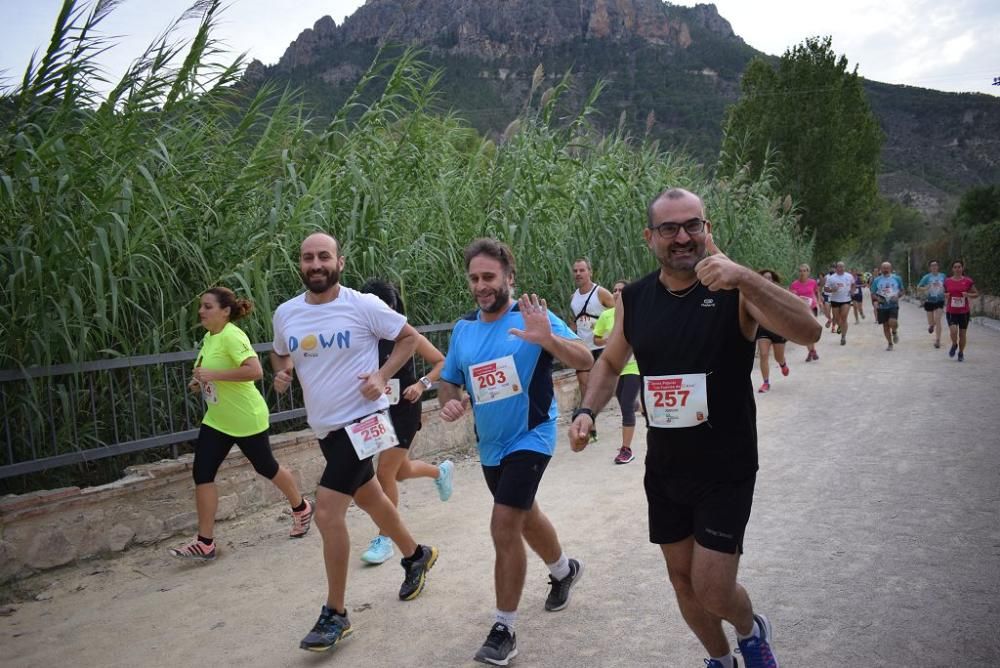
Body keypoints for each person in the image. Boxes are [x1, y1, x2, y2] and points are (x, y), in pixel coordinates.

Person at [569, 188, 820, 668]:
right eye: (669, 228)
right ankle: (720, 659)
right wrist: (586, 411)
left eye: (692, 225)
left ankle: (750, 629)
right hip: (665, 467)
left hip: (725, 465)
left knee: (712, 586)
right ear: (650, 238)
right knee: (682, 581)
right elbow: (611, 362)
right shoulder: (636, 298)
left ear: (707, 229)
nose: (682, 237)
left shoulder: (735, 291)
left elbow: (808, 331)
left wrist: (744, 276)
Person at [271, 233, 439, 653]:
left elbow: (410, 339)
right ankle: (416, 554)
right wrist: (284, 370)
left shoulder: (362, 304)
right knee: (371, 497)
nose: (315, 264)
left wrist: (382, 376)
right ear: (300, 264)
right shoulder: (287, 313)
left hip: (365, 422)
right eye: (308, 257)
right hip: (326, 429)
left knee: (327, 511)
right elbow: (279, 351)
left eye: (323, 256)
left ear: (339, 262)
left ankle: (336, 613)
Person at [439, 238, 593, 666]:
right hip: (490, 443)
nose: (481, 285)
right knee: (525, 517)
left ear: (509, 277)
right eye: (474, 278)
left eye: (489, 276)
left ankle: (503, 629)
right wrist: (449, 399)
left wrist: (549, 339)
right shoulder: (463, 328)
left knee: (504, 522)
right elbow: (449, 378)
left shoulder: (532, 317)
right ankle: (564, 570)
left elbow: (585, 357)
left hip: (532, 434)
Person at [170, 287, 314, 561]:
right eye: (201, 306)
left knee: (266, 467)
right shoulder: (209, 338)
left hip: (246, 418)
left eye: (208, 306)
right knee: (202, 473)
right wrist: (200, 381)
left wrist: (215, 374)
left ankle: (302, 507)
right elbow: (208, 371)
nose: (201, 311)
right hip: (217, 419)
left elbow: (255, 371)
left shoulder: (233, 336)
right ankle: (205, 542)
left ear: (225, 311)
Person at [355, 279, 455, 565]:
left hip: (404, 410)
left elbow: (441, 361)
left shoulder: (405, 334)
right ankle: (440, 472)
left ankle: (385, 538)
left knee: (384, 473)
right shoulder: (359, 337)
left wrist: (422, 385)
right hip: (374, 413)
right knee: (400, 472)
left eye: (388, 308)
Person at [592, 279, 641, 464]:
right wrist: (611, 342)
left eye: (622, 290)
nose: (617, 292)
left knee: (626, 405)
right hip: (615, 368)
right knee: (626, 403)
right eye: (615, 290)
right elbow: (596, 339)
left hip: (633, 367)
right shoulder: (606, 316)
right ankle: (643, 407)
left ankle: (626, 449)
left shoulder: (638, 313)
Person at [569, 258, 615, 442]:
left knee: (606, 385)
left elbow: (618, 312)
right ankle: (591, 424)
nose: (578, 274)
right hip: (584, 348)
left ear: (590, 272)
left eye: (582, 270)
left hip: (602, 347)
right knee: (584, 384)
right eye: (575, 271)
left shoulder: (601, 293)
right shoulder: (573, 297)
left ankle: (630, 404)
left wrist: (605, 328)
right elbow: (574, 322)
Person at [755, 270, 790, 393]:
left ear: (772, 280)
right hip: (763, 329)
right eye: (764, 278)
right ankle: (766, 383)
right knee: (763, 355)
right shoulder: (756, 293)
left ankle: (782, 364)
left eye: (769, 278)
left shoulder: (779, 292)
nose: (767, 280)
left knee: (778, 357)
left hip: (778, 329)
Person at [943, 260, 979, 361]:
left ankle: (961, 352)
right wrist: (945, 295)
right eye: (955, 267)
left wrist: (968, 295)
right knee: (953, 331)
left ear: (962, 268)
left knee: (962, 334)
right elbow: (944, 293)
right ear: (952, 269)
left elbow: (976, 294)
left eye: (959, 267)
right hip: (951, 311)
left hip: (964, 312)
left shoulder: (968, 281)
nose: (957, 269)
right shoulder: (947, 281)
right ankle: (954, 344)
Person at [788, 264, 821, 362]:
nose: (802, 273)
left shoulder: (813, 282)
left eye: (804, 271)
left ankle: (811, 352)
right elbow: (790, 296)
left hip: (812, 308)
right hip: (801, 310)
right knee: (805, 332)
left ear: (808, 272)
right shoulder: (794, 284)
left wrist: (819, 301)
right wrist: (793, 294)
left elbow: (817, 292)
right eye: (800, 271)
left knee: (810, 331)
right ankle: (812, 351)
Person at [870, 261, 904, 351]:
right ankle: (890, 343)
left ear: (890, 269)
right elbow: (873, 293)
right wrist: (878, 299)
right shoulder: (877, 280)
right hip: (882, 306)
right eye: (883, 268)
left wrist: (898, 296)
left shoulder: (897, 278)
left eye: (887, 268)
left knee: (893, 321)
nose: (885, 270)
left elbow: (902, 290)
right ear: (881, 269)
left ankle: (894, 331)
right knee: (885, 326)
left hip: (893, 304)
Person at [823, 261, 854, 345]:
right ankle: (840, 326)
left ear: (844, 267)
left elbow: (853, 284)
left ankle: (843, 337)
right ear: (836, 268)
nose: (841, 268)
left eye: (842, 267)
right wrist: (832, 290)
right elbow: (825, 288)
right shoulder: (831, 278)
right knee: (836, 319)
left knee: (844, 317)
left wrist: (852, 291)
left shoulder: (849, 276)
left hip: (846, 300)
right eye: (839, 267)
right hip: (835, 300)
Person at [916, 260, 946, 349]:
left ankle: (938, 340)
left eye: (936, 265)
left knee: (938, 319)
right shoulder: (926, 277)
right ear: (930, 268)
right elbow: (918, 287)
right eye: (932, 266)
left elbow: (947, 285)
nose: (934, 267)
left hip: (940, 300)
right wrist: (926, 288)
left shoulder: (943, 276)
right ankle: (931, 325)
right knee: (931, 322)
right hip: (929, 301)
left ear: (938, 267)